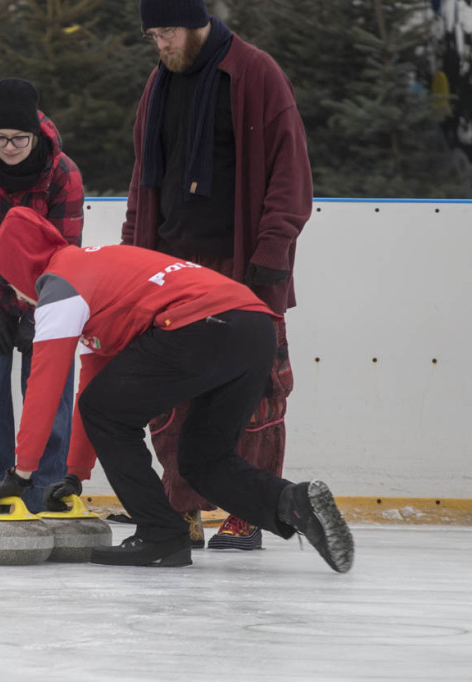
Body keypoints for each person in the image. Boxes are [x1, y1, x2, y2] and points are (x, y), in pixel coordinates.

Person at [0, 206, 353, 573]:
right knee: (202, 460)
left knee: (105, 410)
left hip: (203, 324)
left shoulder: (58, 289)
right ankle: (293, 502)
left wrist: (21, 474)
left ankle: (161, 533)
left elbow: (45, 386)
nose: (17, 294)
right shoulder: (95, 269)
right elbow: (92, 383)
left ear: (21, 268)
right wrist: (76, 474)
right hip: (253, 328)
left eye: (10, 282)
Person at [121, 0, 313, 550]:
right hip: (173, 269)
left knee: (255, 395)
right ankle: (181, 506)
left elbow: (291, 174)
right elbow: (143, 182)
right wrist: (134, 260)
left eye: (166, 34)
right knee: (171, 394)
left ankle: (247, 512)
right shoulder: (159, 86)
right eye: (152, 36)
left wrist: (270, 259)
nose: (159, 46)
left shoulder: (256, 74)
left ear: (195, 22)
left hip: (243, 268)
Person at [0, 77, 84, 521]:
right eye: (0, 138)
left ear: (35, 134)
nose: (8, 147)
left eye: (18, 139)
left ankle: (47, 493)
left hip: (48, 299)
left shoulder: (63, 173)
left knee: (50, 397)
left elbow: (65, 253)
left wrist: (34, 314)